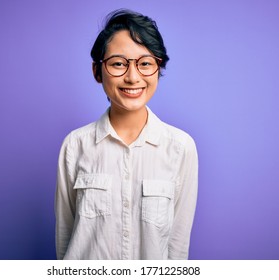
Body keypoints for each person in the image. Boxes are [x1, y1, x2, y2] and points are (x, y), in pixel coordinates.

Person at [55, 9, 198, 260]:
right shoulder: (75, 146)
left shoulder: (180, 147)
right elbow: (65, 236)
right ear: (97, 71)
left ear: (158, 68)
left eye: (145, 63)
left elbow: (177, 245)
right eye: (119, 64)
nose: (133, 77)